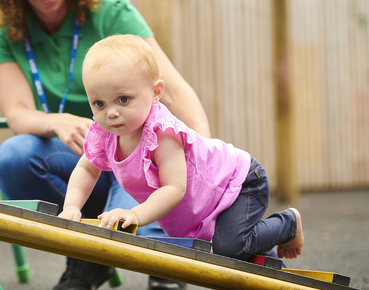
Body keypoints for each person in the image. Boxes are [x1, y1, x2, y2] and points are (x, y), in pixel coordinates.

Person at [0, 0, 209, 289]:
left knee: (139, 213)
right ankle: (87, 253)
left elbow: (176, 93)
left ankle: (159, 261)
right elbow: (17, 112)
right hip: (82, 160)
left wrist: (203, 161)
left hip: (137, 158)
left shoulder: (112, 12)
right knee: (12, 157)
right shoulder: (4, 29)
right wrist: (55, 120)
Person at [58, 34, 305, 263]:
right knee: (234, 252)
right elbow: (86, 169)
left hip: (238, 183)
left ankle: (287, 223)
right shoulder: (105, 134)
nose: (111, 112)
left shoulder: (162, 133)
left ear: (155, 92)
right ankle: (263, 251)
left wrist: (135, 214)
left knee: (228, 248)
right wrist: (71, 206)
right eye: (99, 103)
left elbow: (174, 187)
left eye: (123, 99)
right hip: (206, 201)